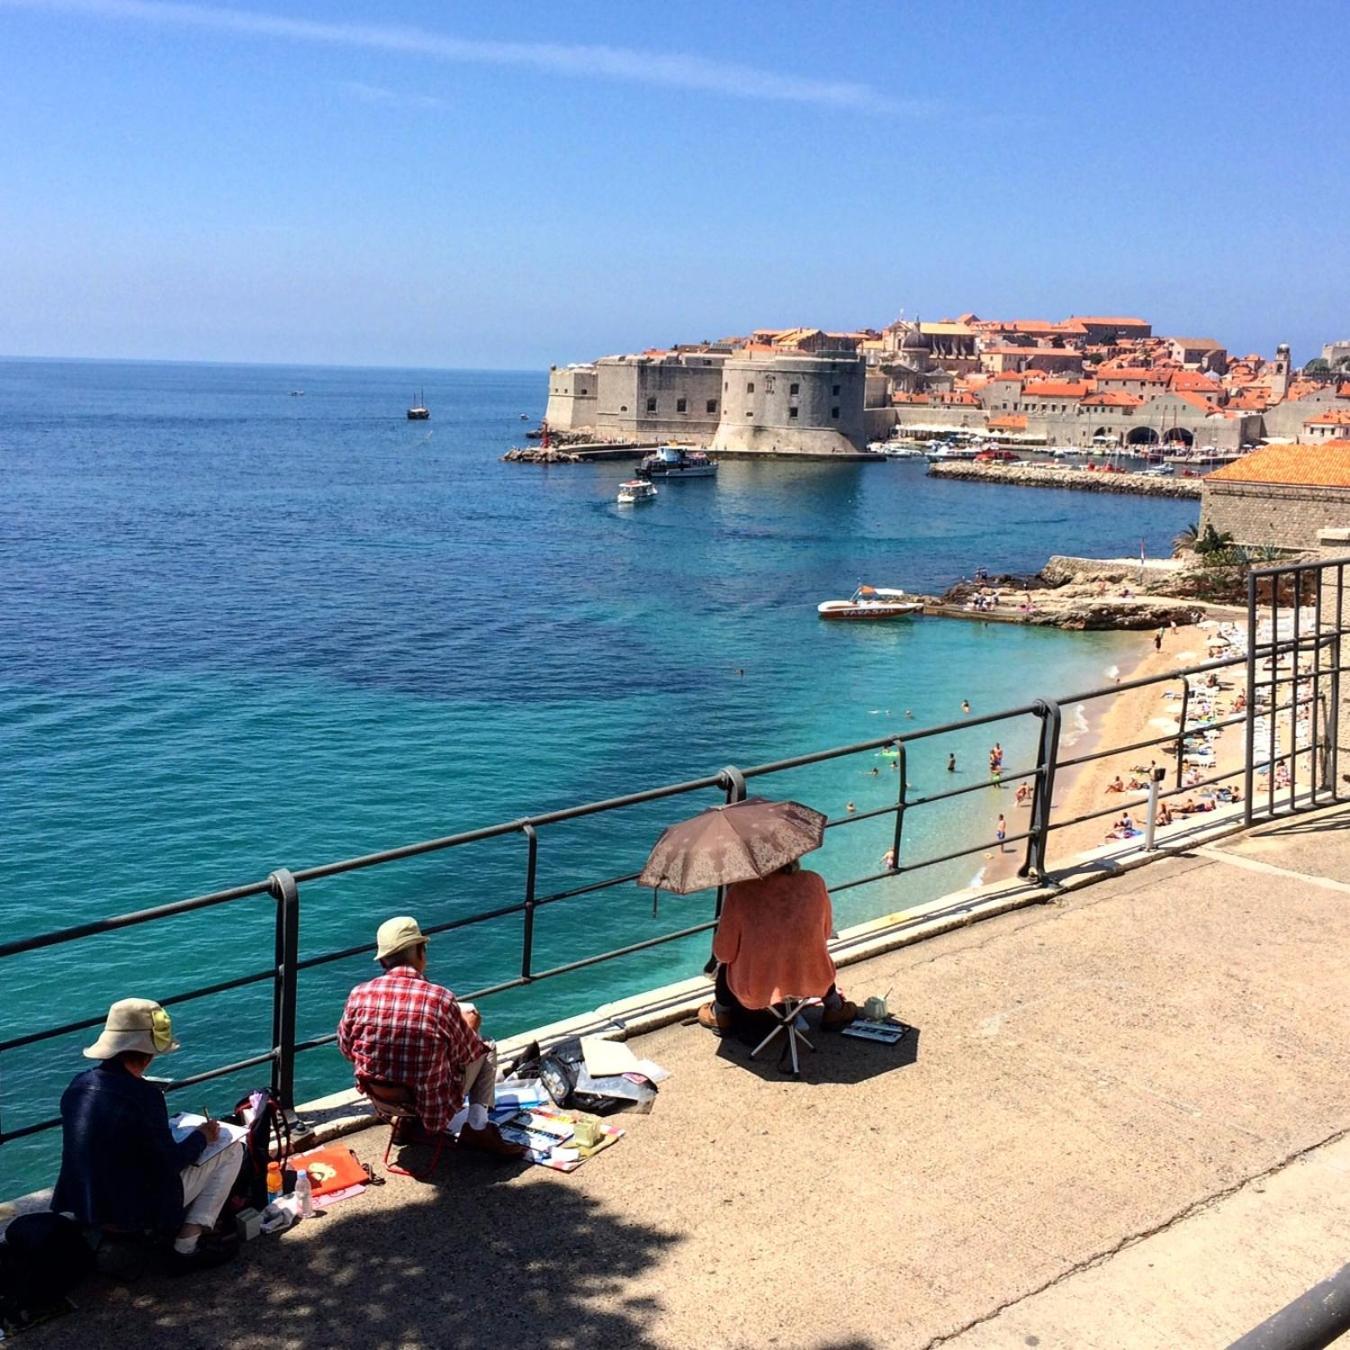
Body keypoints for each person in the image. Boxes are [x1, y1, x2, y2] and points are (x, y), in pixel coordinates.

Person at [51, 998, 244, 1274]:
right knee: (232, 1149)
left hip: (86, 1203)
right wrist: (202, 1135)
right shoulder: (145, 1096)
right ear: (148, 1055)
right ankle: (185, 1248)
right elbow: (169, 1163)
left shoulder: (78, 1086)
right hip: (134, 1210)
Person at [338, 917, 525, 1158]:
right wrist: (470, 1028)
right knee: (486, 1046)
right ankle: (478, 1128)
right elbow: (466, 1054)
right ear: (421, 952)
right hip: (428, 1102)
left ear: (383, 959)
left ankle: (403, 1122)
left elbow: (345, 1049)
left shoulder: (358, 994)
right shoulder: (440, 999)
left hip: (381, 1099)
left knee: (407, 1062)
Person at [698, 862, 857, 1035]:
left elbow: (724, 954)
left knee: (726, 965)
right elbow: (825, 933)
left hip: (757, 990)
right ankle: (834, 1009)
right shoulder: (814, 881)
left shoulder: (739, 893)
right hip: (812, 980)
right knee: (809, 952)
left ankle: (721, 1015)